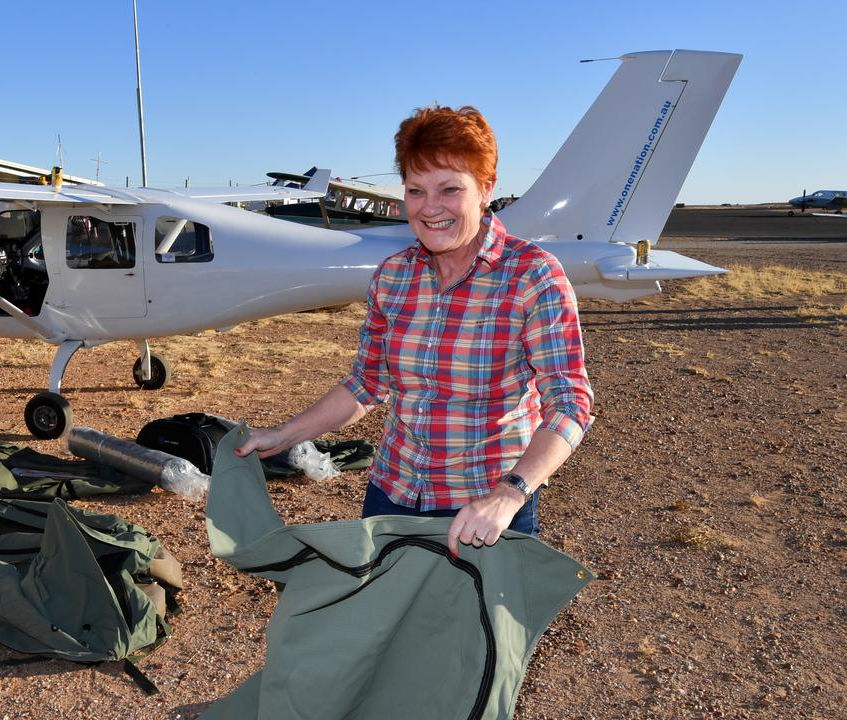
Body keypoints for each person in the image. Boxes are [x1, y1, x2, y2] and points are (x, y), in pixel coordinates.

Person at [235, 105, 593, 554]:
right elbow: (366, 385)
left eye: (450, 189)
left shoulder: (532, 275)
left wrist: (510, 493)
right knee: (386, 623)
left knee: (477, 627)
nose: (430, 208)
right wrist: (284, 436)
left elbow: (570, 403)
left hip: (483, 510)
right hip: (393, 495)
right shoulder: (393, 277)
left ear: (486, 189)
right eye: (416, 190)